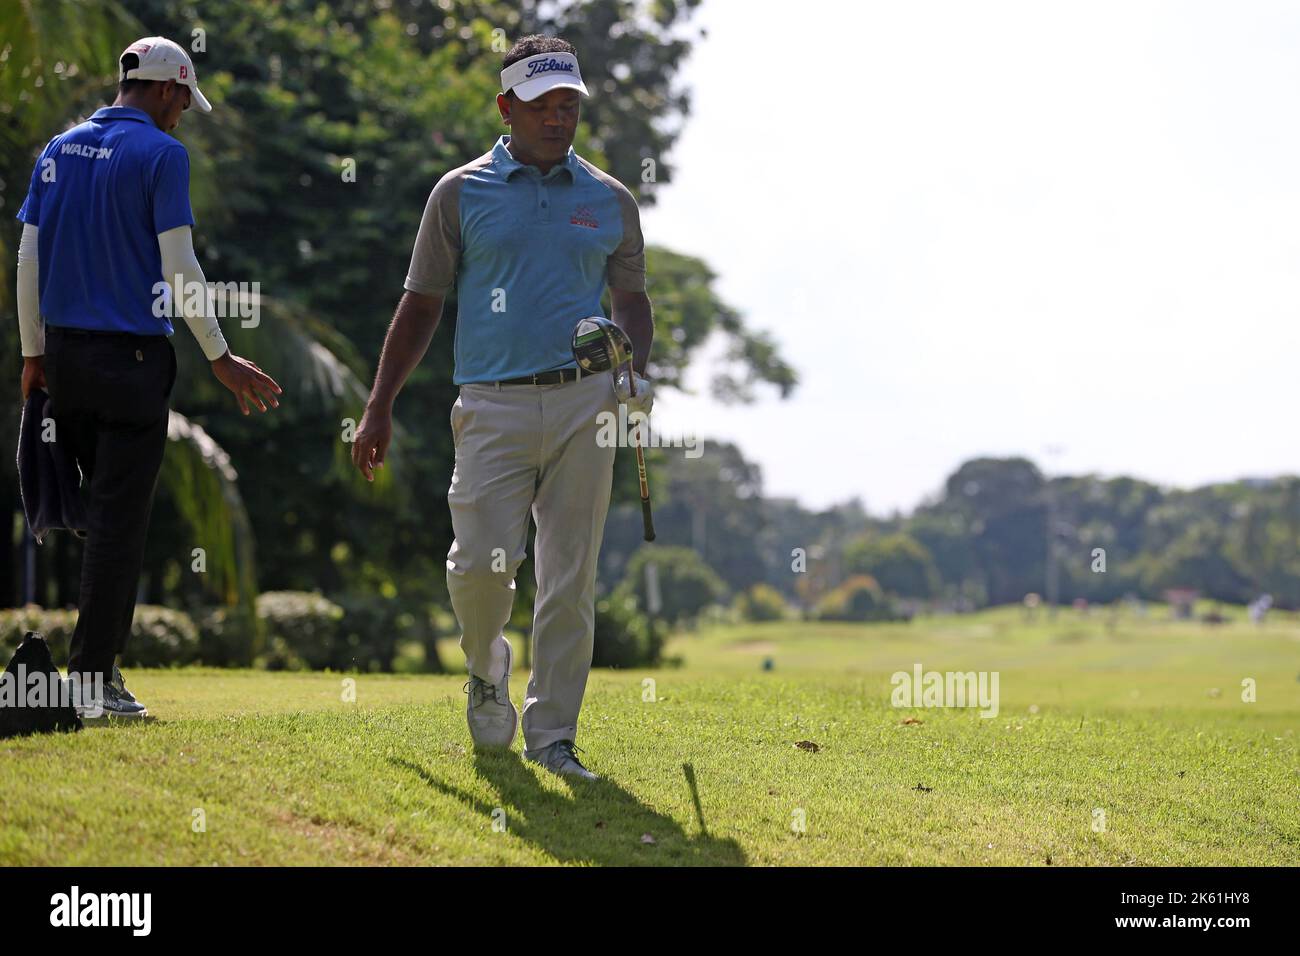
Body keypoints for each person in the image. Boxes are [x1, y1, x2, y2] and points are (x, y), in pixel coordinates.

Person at [352, 35, 654, 780]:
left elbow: (633, 300)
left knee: (569, 578)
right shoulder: (459, 193)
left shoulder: (610, 199)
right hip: (491, 403)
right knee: (480, 569)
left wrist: (634, 375)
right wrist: (379, 404)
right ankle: (488, 669)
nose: (558, 119)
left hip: (586, 402)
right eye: (542, 105)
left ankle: (554, 737)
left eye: (568, 105)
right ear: (506, 107)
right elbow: (420, 306)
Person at [15, 36, 283, 718]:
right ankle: (92, 678)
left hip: (65, 359)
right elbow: (180, 269)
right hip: (131, 363)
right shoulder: (163, 154)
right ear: (167, 89)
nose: (185, 114)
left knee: (93, 514)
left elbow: (29, 257)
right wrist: (220, 355)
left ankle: (77, 666)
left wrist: (33, 354)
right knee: (116, 522)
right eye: (186, 100)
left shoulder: (59, 148)